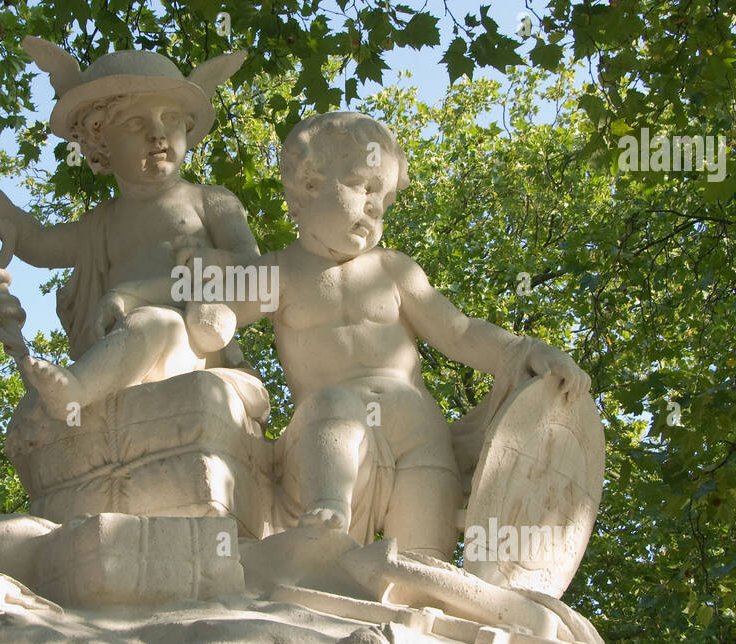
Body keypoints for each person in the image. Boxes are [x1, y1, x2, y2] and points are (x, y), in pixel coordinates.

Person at [219, 112, 590, 557]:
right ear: (309, 181)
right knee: (333, 407)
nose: (375, 206)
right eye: (364, 187)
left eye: (385, 199)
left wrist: (526, 350)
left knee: (423, 561)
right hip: (330, 433)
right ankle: (327, 514)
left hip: (417, 431)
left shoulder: (394, 269)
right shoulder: (277, 272)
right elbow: (211, 314)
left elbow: (459, 332)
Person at [0, 39, 261, 421]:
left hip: (193, 348)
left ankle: (76, 390)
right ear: (100, 142)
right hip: (117, 352)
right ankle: (81, 389)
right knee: (34, 412)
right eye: (135, 123)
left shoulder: (212, 202)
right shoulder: (101, 222)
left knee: (153, 320)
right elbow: (39, 245)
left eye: (171, 119)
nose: (157, 134)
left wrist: (185, 276)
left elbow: (258, 280)